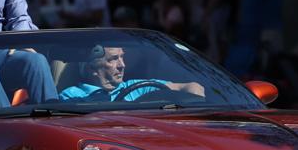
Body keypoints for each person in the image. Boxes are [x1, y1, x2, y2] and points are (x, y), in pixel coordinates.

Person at [59, 45, 204, 101]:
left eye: (122, 57)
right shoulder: (72, 97)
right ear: (92, 70)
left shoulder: (138, 87)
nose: (123, 65)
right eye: (114, 59)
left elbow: (193, 87)